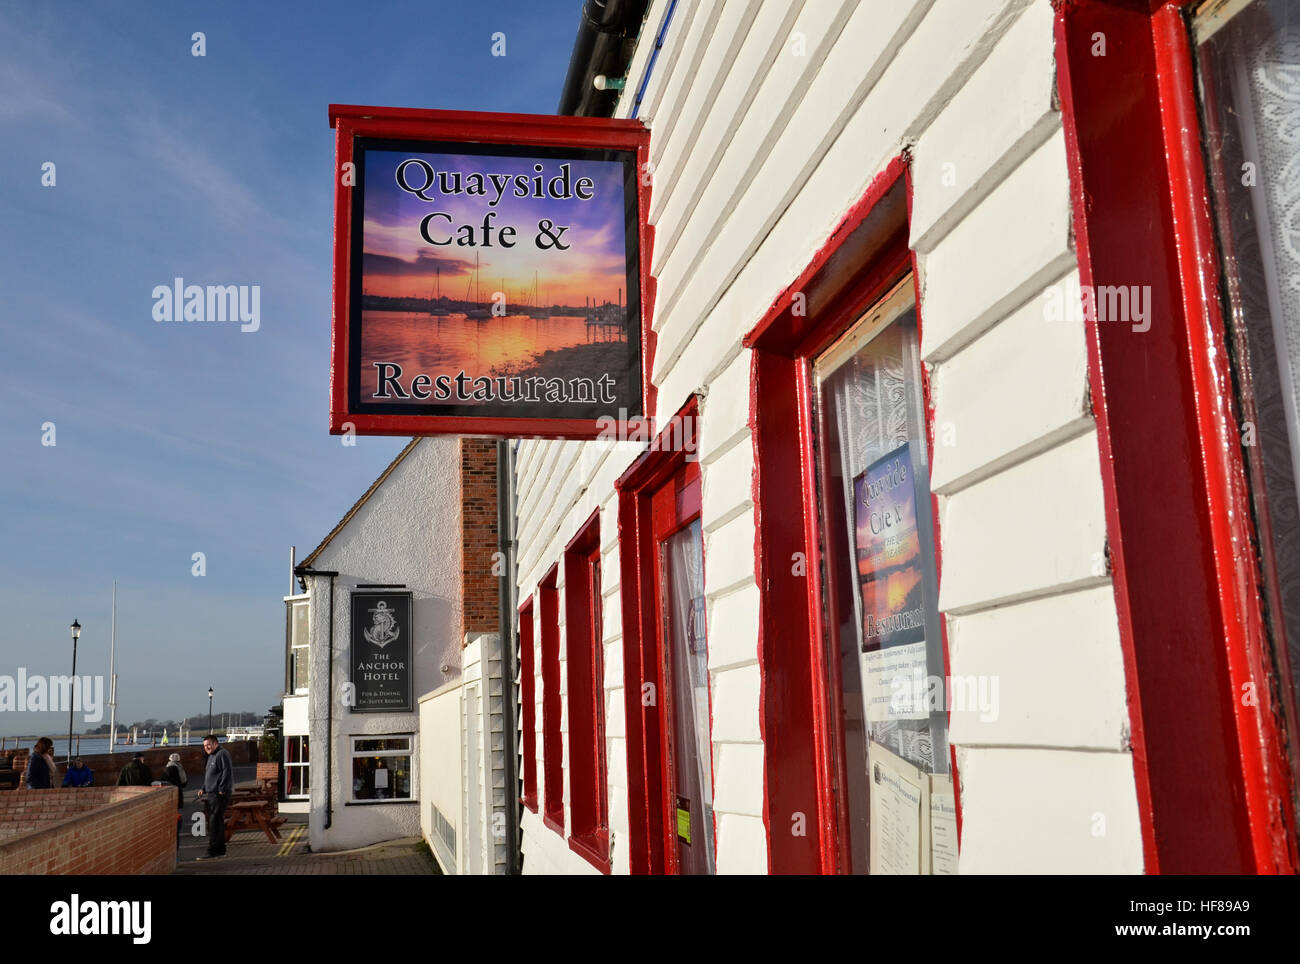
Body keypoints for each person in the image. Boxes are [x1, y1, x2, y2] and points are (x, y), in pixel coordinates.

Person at [195, 735, 232, 859]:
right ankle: (221, 850)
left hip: (218, 793)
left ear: (215, 743)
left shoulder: (222, 754)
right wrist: (203, 788)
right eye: (205, 746)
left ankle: (212, 850)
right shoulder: (211, 756)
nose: (206, 747)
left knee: (214, 822)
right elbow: (210, 775)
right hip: (211, 793)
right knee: (217, 822)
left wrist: (221, 789)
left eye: (208, 745)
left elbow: (227, 772)